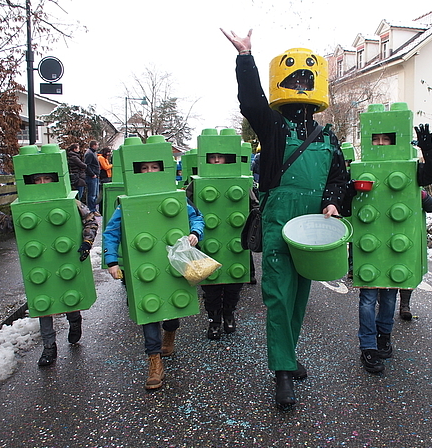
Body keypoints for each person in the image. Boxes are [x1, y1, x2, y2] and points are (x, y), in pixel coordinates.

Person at [222, 29, 349, 409]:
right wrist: (246, 58)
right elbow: (251, 104)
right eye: (292, 79)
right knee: (279, 298)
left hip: (313, 227)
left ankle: (288, 358)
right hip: (279, 224)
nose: (298, 86)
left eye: (303, 79)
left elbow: (339, 180)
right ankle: (281, 374)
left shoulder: (328, 137)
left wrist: (332, 203)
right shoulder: (274, 129)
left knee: (299, 297)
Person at [0, 173, 98, 367]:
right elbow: (7, 224)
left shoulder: (73, 203)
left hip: (67, 256)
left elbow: (90, 220)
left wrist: (87, 242)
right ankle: (49, 347)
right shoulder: (24, 206)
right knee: (43, 304)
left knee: (69, 295)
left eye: (46, 179)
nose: (42, 183)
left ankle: (74, 319)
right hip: (40, 263)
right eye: (37, 180)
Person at [103, 161, 205, 390]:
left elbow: (198, 217)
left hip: (172, 262)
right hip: (143, 268)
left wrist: (195, 233)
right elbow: (111, 232)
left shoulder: (178, 198)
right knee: (148, 311)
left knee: (172, 307)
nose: (149, 172)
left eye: (154, 167)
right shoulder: (125, 203)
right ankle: (154, 361)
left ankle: (170, 334)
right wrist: (111, 261)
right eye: (143, 168)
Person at [358, 128, 432, 374]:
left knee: (388, 296)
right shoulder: (361, 168)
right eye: (376, 138)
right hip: (370, 245)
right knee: (367, 300)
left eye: (387, 138)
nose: (382, 143)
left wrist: (428, 149)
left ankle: (383, 335)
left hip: (397, 246)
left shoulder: (410, 170)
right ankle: (368, 345)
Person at [199, 152, 245, 340]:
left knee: (234, 284)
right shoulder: (197, 184)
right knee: (211, 287)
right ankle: (214, 320)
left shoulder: (242, 183)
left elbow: (253, 206)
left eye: (221, 156)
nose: (217, 160)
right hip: (208, 244)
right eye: (212, 157)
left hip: (236, 246)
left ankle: (229, 314)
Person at [399, 189, 432, 320]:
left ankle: (405, 305)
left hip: (409, 238)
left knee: (407, 272)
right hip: (386, 238)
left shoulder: (414, 189)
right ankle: (383, 301)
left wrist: (423, 196)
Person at [84, 140, 101, 215]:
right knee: (92, 194)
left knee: (95, 194)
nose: (98, 146)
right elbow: (87, 165)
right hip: (92, 176)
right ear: (93, 145)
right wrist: (92, 174)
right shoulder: (90, 154)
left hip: (95, 176)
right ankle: (92, 210)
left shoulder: (93, 153)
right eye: (97, 145)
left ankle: (93, 209)